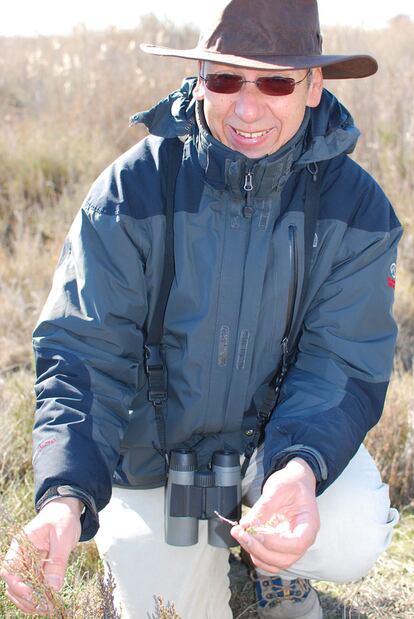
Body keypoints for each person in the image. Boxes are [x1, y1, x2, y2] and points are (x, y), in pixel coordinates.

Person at [0, 1, 402, 618]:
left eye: (274, 80)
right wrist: (65, 499)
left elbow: (342, 361)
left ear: (315, 85)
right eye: (225, 79)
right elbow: (84, 354)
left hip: (278, 446)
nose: (247, 107)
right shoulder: (127, 193)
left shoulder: (359, 211)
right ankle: (201, 560)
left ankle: (278, 570)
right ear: (198, 74)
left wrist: (298, 470)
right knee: (166, 607)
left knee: (350, 533)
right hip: (156, 461)